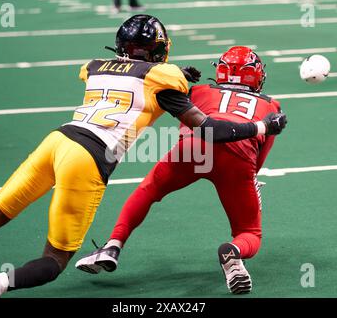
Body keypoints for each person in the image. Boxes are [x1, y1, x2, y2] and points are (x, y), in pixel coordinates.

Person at [0, 15, 286, 298]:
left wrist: (177, 76)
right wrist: (261, 126)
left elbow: (133, 74)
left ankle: (112, 244)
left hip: (56, 141)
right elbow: (208, 126)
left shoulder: (95, 67)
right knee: (54, 262)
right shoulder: (166, 79)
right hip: (87, 157)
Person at [75, 46, 284, 294]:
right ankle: (234, 252)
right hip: (237, 157)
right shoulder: (272, 106)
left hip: (193, 148)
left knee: (148, 190)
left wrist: (179, 76)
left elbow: (164, 97)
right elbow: (257, 163)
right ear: (256, 75)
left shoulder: (199, 90)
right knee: (249, 232)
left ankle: (113, 245)